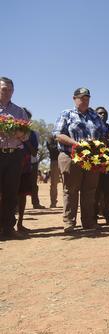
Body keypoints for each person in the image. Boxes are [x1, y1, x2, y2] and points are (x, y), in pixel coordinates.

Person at [53, 87, 107, 232]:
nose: (85, 100)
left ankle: (88, 222)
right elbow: (58, 134)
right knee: (70, 190)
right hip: (70, 155)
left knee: (90, 190)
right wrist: (76, 144)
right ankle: (69, 222)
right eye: (82, 98)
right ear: (74, 98)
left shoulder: (95, 115)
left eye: (87, 98)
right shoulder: (66, 114)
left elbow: (103, 133)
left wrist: (99, 148)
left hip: (91, 157)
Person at [0, 77, 29, 239]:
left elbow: (26, 136)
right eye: (4, 89)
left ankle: (8, 228)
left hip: (14, 155)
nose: (8, 92)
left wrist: (20, 134)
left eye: (10, 89)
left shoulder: (19, 111)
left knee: (11, 193)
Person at [93, 106, 109, 223]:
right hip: (94, 163)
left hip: (108, 163)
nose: (102, 115)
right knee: (95, 191)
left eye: (104, 114)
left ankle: (108, 215)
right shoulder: (92, 128)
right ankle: (94, 216)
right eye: (100, 113)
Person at [46, 135, 60, 208]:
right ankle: (53, 202)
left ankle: (69, 202)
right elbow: (52, 149)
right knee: (54, 184)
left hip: (61, 160)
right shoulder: (50, 142)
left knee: (67, 183)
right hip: (54, 161)